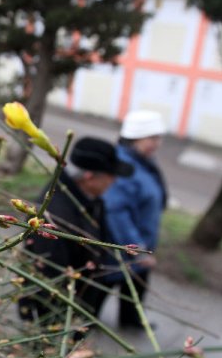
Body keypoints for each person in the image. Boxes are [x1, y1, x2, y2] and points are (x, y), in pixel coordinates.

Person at [18, 136, 133, 322]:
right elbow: (50, 279)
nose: (114, 182)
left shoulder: (89, 198)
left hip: (80, 301)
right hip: (54, 313)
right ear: (89, 177)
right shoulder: (54, 217)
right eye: (111, 177)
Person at [102, 110, 167, 329]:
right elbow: (117, 211)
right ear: (134, 138)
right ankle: (81, 325)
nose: (157, 144)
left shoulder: (143, 162)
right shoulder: (125, 166)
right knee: (105, 283)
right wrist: (137, 248)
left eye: (158, 138)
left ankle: (131, 321)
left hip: (140, 243)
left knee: (136, 285)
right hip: (123, 247)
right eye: (152, 138)